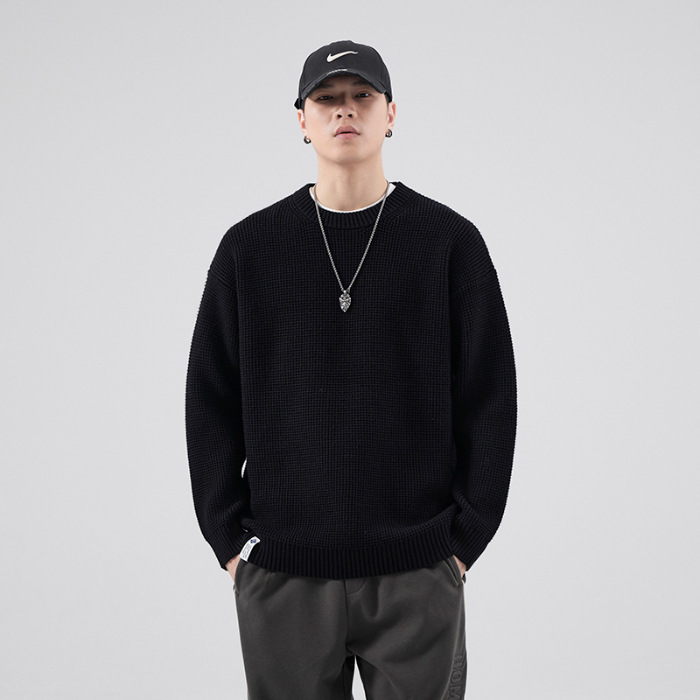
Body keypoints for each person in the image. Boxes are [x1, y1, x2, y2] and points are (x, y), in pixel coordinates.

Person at [185, 39, 517, 700]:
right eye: (327, 99)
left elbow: (490, 397)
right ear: (301, 120)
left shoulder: (448, 243)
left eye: (362, 96)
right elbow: (209, 400)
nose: (345, 110)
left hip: (418, 570)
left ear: (391, 114)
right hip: (284, 573)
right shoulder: (250, 248)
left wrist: (462, 543)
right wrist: (230, 543)